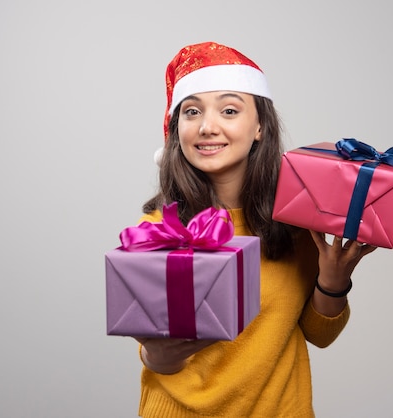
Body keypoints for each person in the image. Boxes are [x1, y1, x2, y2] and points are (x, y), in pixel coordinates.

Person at [134, 41, 377, 418]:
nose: (207, 126)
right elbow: (156, 354)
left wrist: (333, 280)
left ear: (260, 126)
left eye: (229, 110)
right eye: (192, 111)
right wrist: (156, 354)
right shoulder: (156, 231)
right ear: (176, 128)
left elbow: (320, 335)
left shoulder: (297, 224)